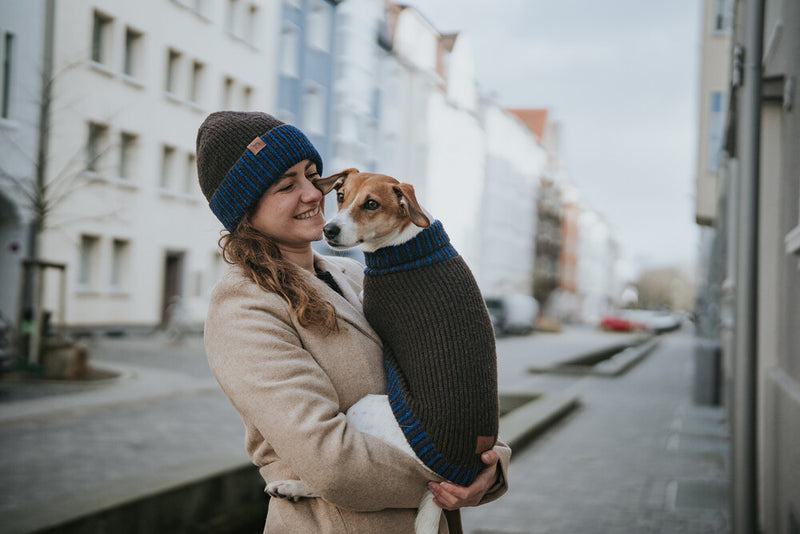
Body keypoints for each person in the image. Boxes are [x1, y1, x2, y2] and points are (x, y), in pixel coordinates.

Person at [196, 111, 510, 534]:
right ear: (244, 210)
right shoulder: (243, 307)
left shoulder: (357, 276)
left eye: (313, 176)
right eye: (288, 185)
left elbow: (446, 384)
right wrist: (451, 474)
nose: (313, 194)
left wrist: (487, 465)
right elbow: (332, 462)